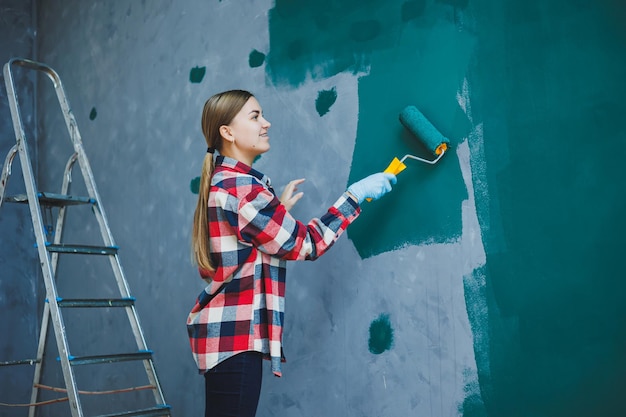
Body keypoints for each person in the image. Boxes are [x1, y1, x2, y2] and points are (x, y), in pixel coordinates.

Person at [187, 89, 396, 417]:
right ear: (227, 132)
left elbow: (245, 251)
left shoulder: (228, 184)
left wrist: (277, 209)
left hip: (227, 338)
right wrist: (354, 197)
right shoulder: (241, 190)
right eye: (255, 116)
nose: (266, 123)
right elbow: (307, 244)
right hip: (236, 339)